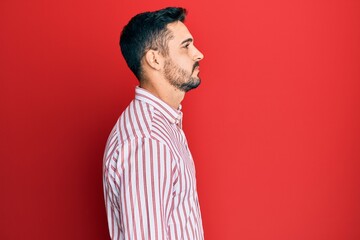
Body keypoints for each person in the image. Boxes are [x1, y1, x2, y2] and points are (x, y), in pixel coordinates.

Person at [103, 7, 204, 240]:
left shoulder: (163, 126)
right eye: (185, 46)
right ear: (155, 59)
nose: (198, 54)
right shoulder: (148, 141)